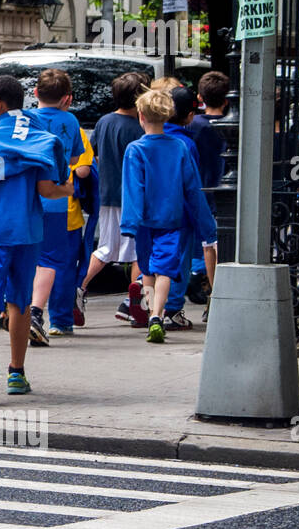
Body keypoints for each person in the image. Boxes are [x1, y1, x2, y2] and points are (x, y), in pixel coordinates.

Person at [0, 76, 70, 403]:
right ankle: (16, 373)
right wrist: (70, 189)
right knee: (19, 301)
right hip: (29, 231)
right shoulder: (39, 137)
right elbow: (48, 189)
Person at [121, 89, 217, 344]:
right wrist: (206, 225)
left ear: (140, 116)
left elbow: (133, 188)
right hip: (172, 220)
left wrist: (129, 223)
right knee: (165, 269)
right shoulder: (179, 147)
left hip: (144, 222)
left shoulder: (135, 149)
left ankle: (152, 311)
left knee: (148, 269)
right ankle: (157, 315)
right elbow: (193, 189)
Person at [26, 69, 90, 346]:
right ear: (67, 98)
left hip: (27, 197)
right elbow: (76, 156)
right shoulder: (70, 120)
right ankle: (37, 313)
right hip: (57, 200)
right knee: (52, 259)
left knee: (27, 256)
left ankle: (16, 308)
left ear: (36, 93)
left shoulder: (26, 120)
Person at [78, 71, 146, 324]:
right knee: (140, 251)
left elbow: (92, 153)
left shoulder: (104, 122)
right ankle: (135, 300)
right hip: (134, 198)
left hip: (107, 196)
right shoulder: (141, 127)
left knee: (106, 248)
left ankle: (79, 287)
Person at [185, 71, 228, 316]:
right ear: (227, 99)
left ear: (200, 97)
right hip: (222, 193)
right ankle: (210, 285)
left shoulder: (194, 126)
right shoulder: (232, 124)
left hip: (199, 190)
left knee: (199, 242)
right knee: (214, 243)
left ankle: (197, 273)